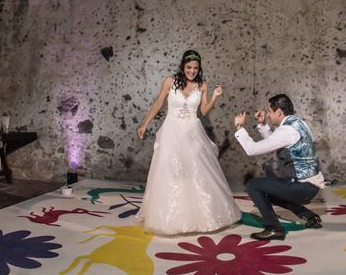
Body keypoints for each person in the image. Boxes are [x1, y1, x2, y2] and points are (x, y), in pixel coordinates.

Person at [136, 50, 240, 234]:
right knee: (170, 171)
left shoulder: (202, 84)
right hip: (171, 130)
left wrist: (215, 96)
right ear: (183, 66)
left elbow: (204, 111)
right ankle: (170, 217)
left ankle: (196, 216)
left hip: (192, 132)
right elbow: (159, 103)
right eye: (189, 67)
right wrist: (145, 124)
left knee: (194, 172)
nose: (192, 71)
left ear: (199, 69)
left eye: (195, 68)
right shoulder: (170, 81)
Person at [233, 94, 325, 240]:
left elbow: (252, 150)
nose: (268, 115)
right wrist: (262, 125)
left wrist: (239, 126)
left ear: (279, 112)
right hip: (310, 185)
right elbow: (276, 141)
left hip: (302, 187)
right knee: (271, 190)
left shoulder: (287, 130)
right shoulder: (297, 123)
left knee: (253, 185)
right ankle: (309, 216)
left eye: (269, 111)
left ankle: (274, 228)